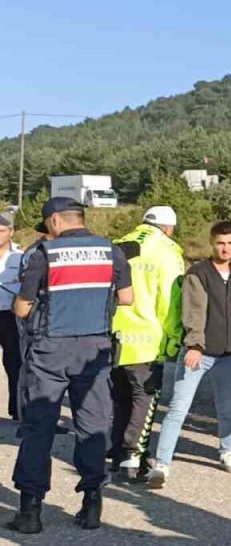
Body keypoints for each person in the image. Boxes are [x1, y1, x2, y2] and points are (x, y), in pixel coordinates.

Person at [8, 197, 134, 534]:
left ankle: (30, 513)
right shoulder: (111, 251)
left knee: (38, 428)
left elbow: (22, 308)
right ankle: (92, 504)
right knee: (92, 426)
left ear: (53, 221)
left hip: (50, 350)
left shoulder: (44, 254)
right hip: (95, 348)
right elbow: (127, 298)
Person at [147, 221, 231, 487]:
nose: (225, 248)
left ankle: (227, 451)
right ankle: (162, 465)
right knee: (178, 408)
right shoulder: (198, 273)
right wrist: (194, 345)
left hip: (228, 355)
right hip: (198, 353)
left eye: (230, 243)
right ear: (212, 243)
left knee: (227, 408)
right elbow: (194, 311)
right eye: (220, 243)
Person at [109, 206, 186, 482]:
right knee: (145, 396)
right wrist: (174, 339)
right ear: (169, 228)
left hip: (114, 335)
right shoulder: (168, 251)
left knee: (119, 397)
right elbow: (171, 300)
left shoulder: (118, 244)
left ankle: (117, 451)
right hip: (147, 338)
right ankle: (134, 456)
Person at [0, 211, 24, 421]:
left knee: (14, 363)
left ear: (11, 232)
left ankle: (17, 409)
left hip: (10, 315)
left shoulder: (20, 256)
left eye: (2, 231)